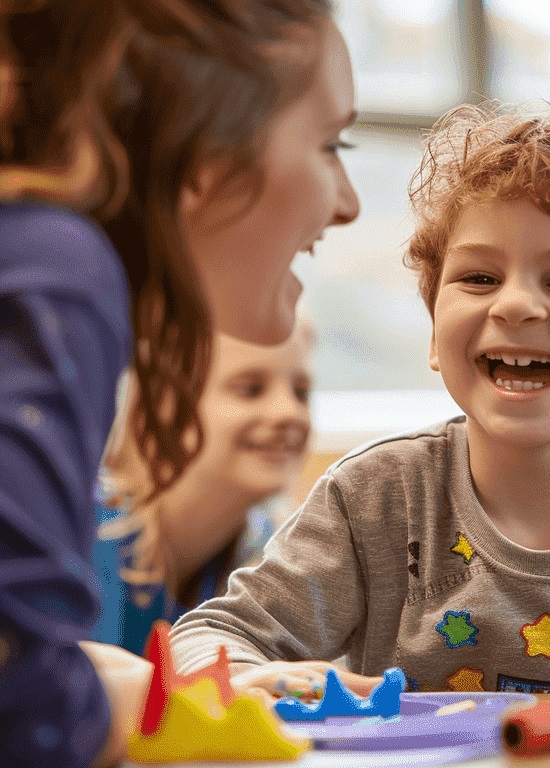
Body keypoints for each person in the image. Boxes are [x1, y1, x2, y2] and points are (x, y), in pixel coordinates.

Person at [170, 103, 550, 709]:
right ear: (434, 332)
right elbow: (208, 639)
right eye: (479, 278)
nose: (513, 306)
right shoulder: (377, 495)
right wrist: (253, 677)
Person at [0, 2, 363, 766]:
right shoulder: (59, 270)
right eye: (330, 145)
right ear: (212, 166)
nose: (348, 201)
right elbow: (21, 694)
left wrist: (153, 692)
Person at [92, 322, 314, 657]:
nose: (289, 411)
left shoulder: (265, 549)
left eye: (301, 392)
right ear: (163, 404)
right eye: (250, 388)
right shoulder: (85, 534)